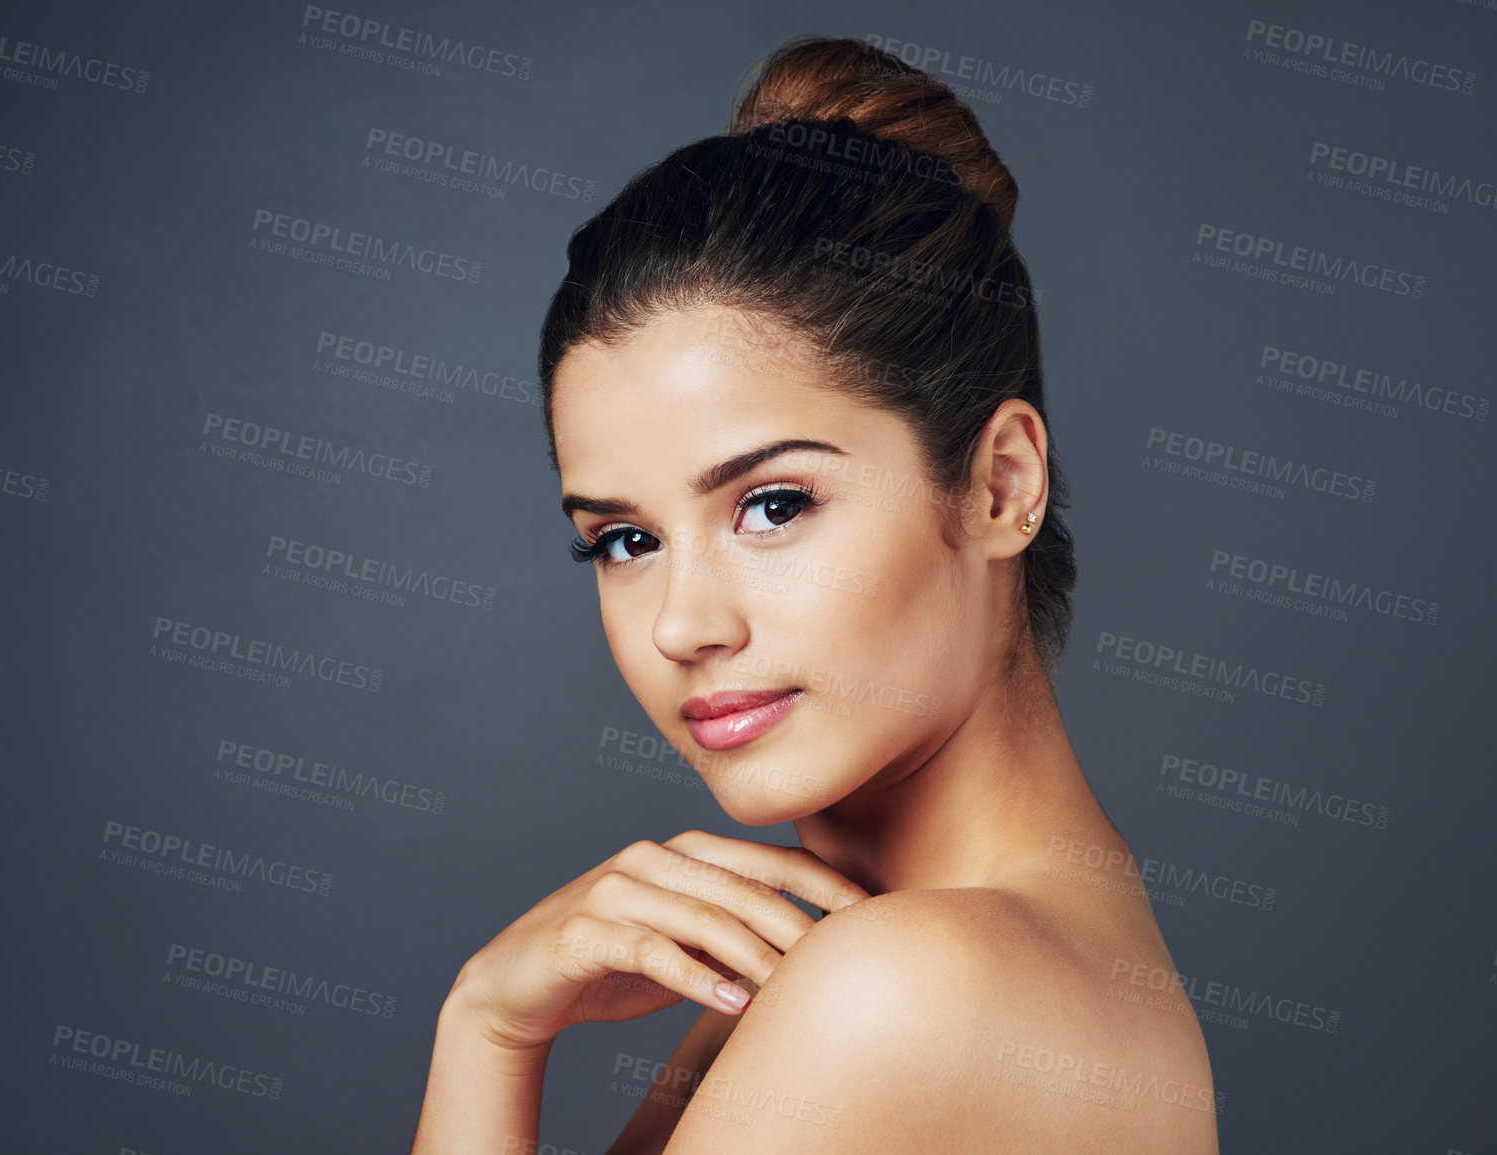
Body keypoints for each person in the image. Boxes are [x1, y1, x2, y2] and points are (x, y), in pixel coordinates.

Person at [411, 34, 1217, 1154]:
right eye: (627, 539)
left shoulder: (906, 989)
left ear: (1000, 484)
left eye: (774, 506)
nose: (684, 625)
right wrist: (492, 1021)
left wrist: (486, 1031)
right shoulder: (930, 943)